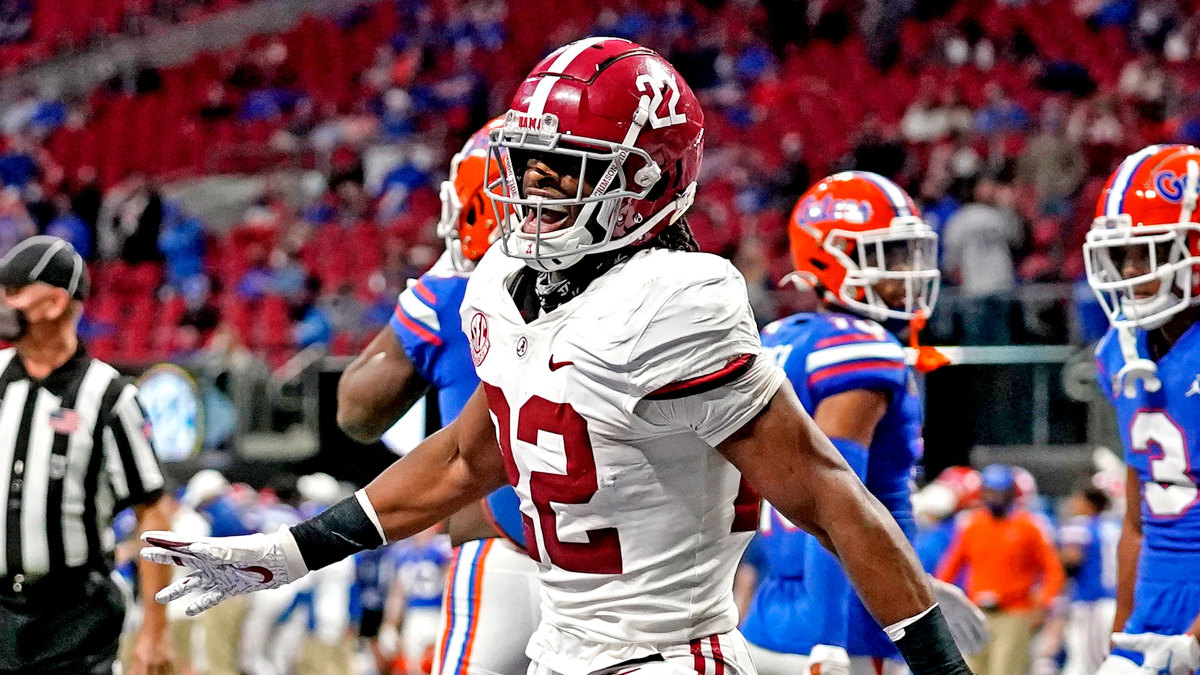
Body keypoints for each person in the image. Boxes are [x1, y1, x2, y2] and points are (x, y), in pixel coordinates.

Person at [141, 37, 973, 675]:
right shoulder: (504, 279)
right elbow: (469, 453)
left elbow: (829, 492)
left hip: (667, 656)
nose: (533, 195)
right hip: (558, 649)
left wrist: (939, 661)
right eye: (526, 169)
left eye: (565, 173)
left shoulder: (676, 300)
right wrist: (289, 551)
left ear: (648, 181)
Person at [741, 171, 986, 675]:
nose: (906, 274)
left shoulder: (778, 338)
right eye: (888, 257)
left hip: (769, 618)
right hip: (849, 628)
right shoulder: (862, 348)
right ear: (830, 257)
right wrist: (828, 645)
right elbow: (835, 502)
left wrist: (911, 577)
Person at [334, 116, 542, 675]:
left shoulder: (454, 294)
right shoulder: (648, 292)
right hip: (617, 573)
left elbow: (356, 412)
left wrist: (438, 286)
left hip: (501, 561)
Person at [0, 235, 173, 674]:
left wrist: (155, 630)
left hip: (74, 619)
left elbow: (152, 510)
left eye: (14, 292)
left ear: (54, 303)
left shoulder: (109, 397)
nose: (3, 303)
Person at [1083, 143, 1200, 675]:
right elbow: (1137, 520)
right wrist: (1122, 631)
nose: (1132, 271)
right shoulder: (1119, 350)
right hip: (1155, 596)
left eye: (1149, 252)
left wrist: (1195, 637)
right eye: (1123, 255)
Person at [936, 464, 1065, 675]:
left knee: (1005, 670)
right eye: (989, 492)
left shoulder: (1028, 526)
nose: (994, 498)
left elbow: (1054, 570)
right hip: (977, 611)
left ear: (1011, 494)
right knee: (972, 669)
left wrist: (1042, 603)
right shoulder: (973, 525)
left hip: (1014, 612)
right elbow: (951, 566)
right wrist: (942, 600)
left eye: (999, 492)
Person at [1057, 480, 1121, 675]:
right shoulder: (1116, 524)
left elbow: (1072, 558)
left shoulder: (1080, 526)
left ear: (1088, 503)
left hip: (1091, 601)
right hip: (1114, 600)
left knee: (1089, 662)